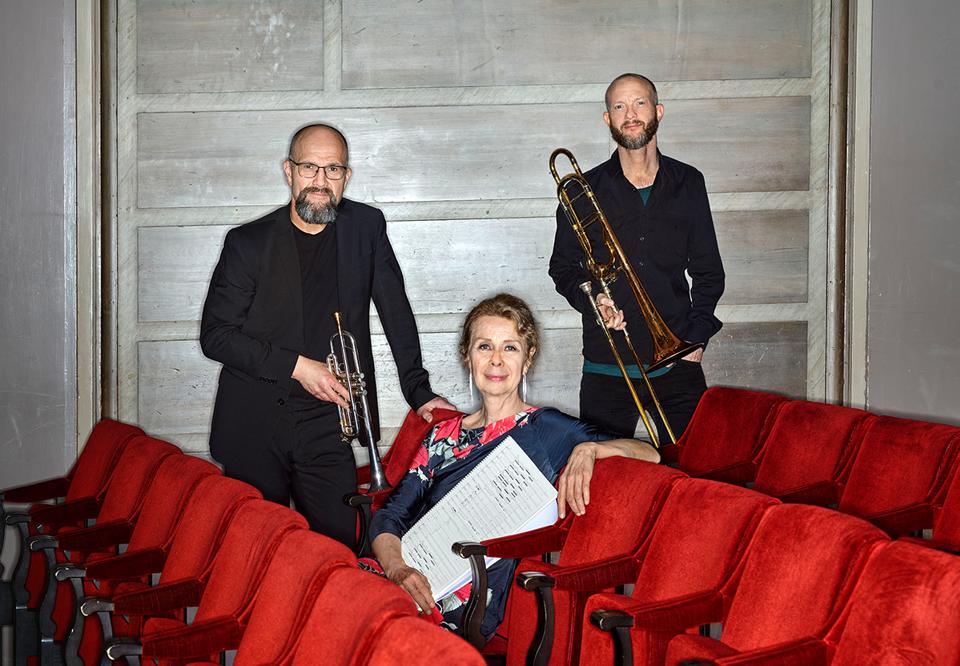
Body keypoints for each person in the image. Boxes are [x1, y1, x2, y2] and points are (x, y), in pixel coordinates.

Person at [200, 123, 452, 546]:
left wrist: (419, 391)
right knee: (262, 552)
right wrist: (299, 368)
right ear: (289, 171)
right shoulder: (248, 243)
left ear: (346, 176)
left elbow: (396, 312)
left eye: (332, 169)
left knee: (340, 546)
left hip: (328, 419)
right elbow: (216, 336)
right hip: (255, 422)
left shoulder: (365, 228)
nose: (320, 181)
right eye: (309, 168)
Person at [369, 293, 659, 641]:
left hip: (464, 600)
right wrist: (398, 569)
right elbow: (390, 516)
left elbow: (650, 454)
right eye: (484, 347)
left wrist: (591, 448)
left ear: (527, 359)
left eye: (510, 348)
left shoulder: (545, 430)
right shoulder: (441, 435)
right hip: (407, 574)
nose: (496, 360)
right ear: (467, 355)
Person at [549, 73, 725, 442]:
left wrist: (696, 338)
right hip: (606, 366)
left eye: (639, 103)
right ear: (607, 119)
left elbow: (709, 273)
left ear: (658, 111)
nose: (630, 114)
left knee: (694, 475)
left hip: (677, 363)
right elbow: (562, 268)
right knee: (606, 480)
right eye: (619, 106)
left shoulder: (688, 182)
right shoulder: (582, 191)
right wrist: (593, 300)